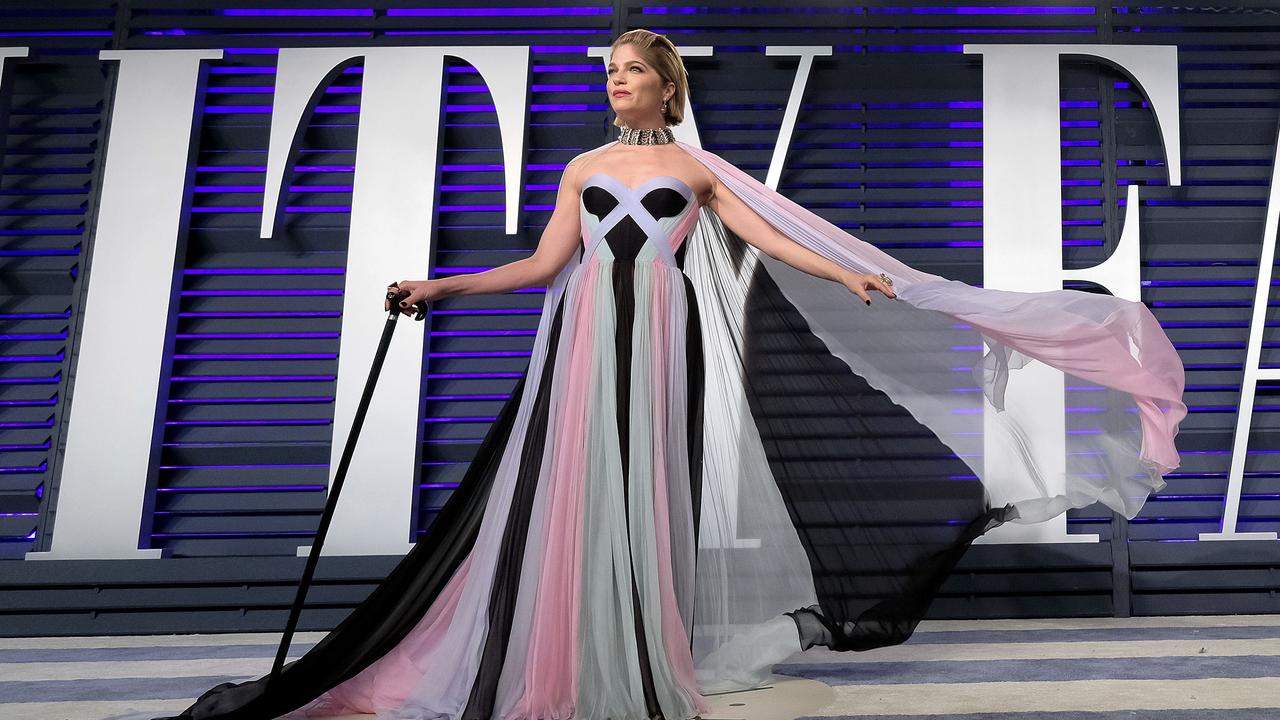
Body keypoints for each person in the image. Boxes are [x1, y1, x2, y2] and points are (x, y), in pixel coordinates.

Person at [102, 28, 1186, 720]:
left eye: (628, 71)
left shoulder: (692, 168)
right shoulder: (583, 167)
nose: (614, 82)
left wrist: (856, 281)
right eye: (609, 72)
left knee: (640, 495)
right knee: (570, 491)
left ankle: (632, 653)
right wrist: (445, 286)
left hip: (656, 334)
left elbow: (771, 240)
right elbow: (543, 264)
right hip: (580, 338)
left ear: (661, 84)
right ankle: (559, 659)